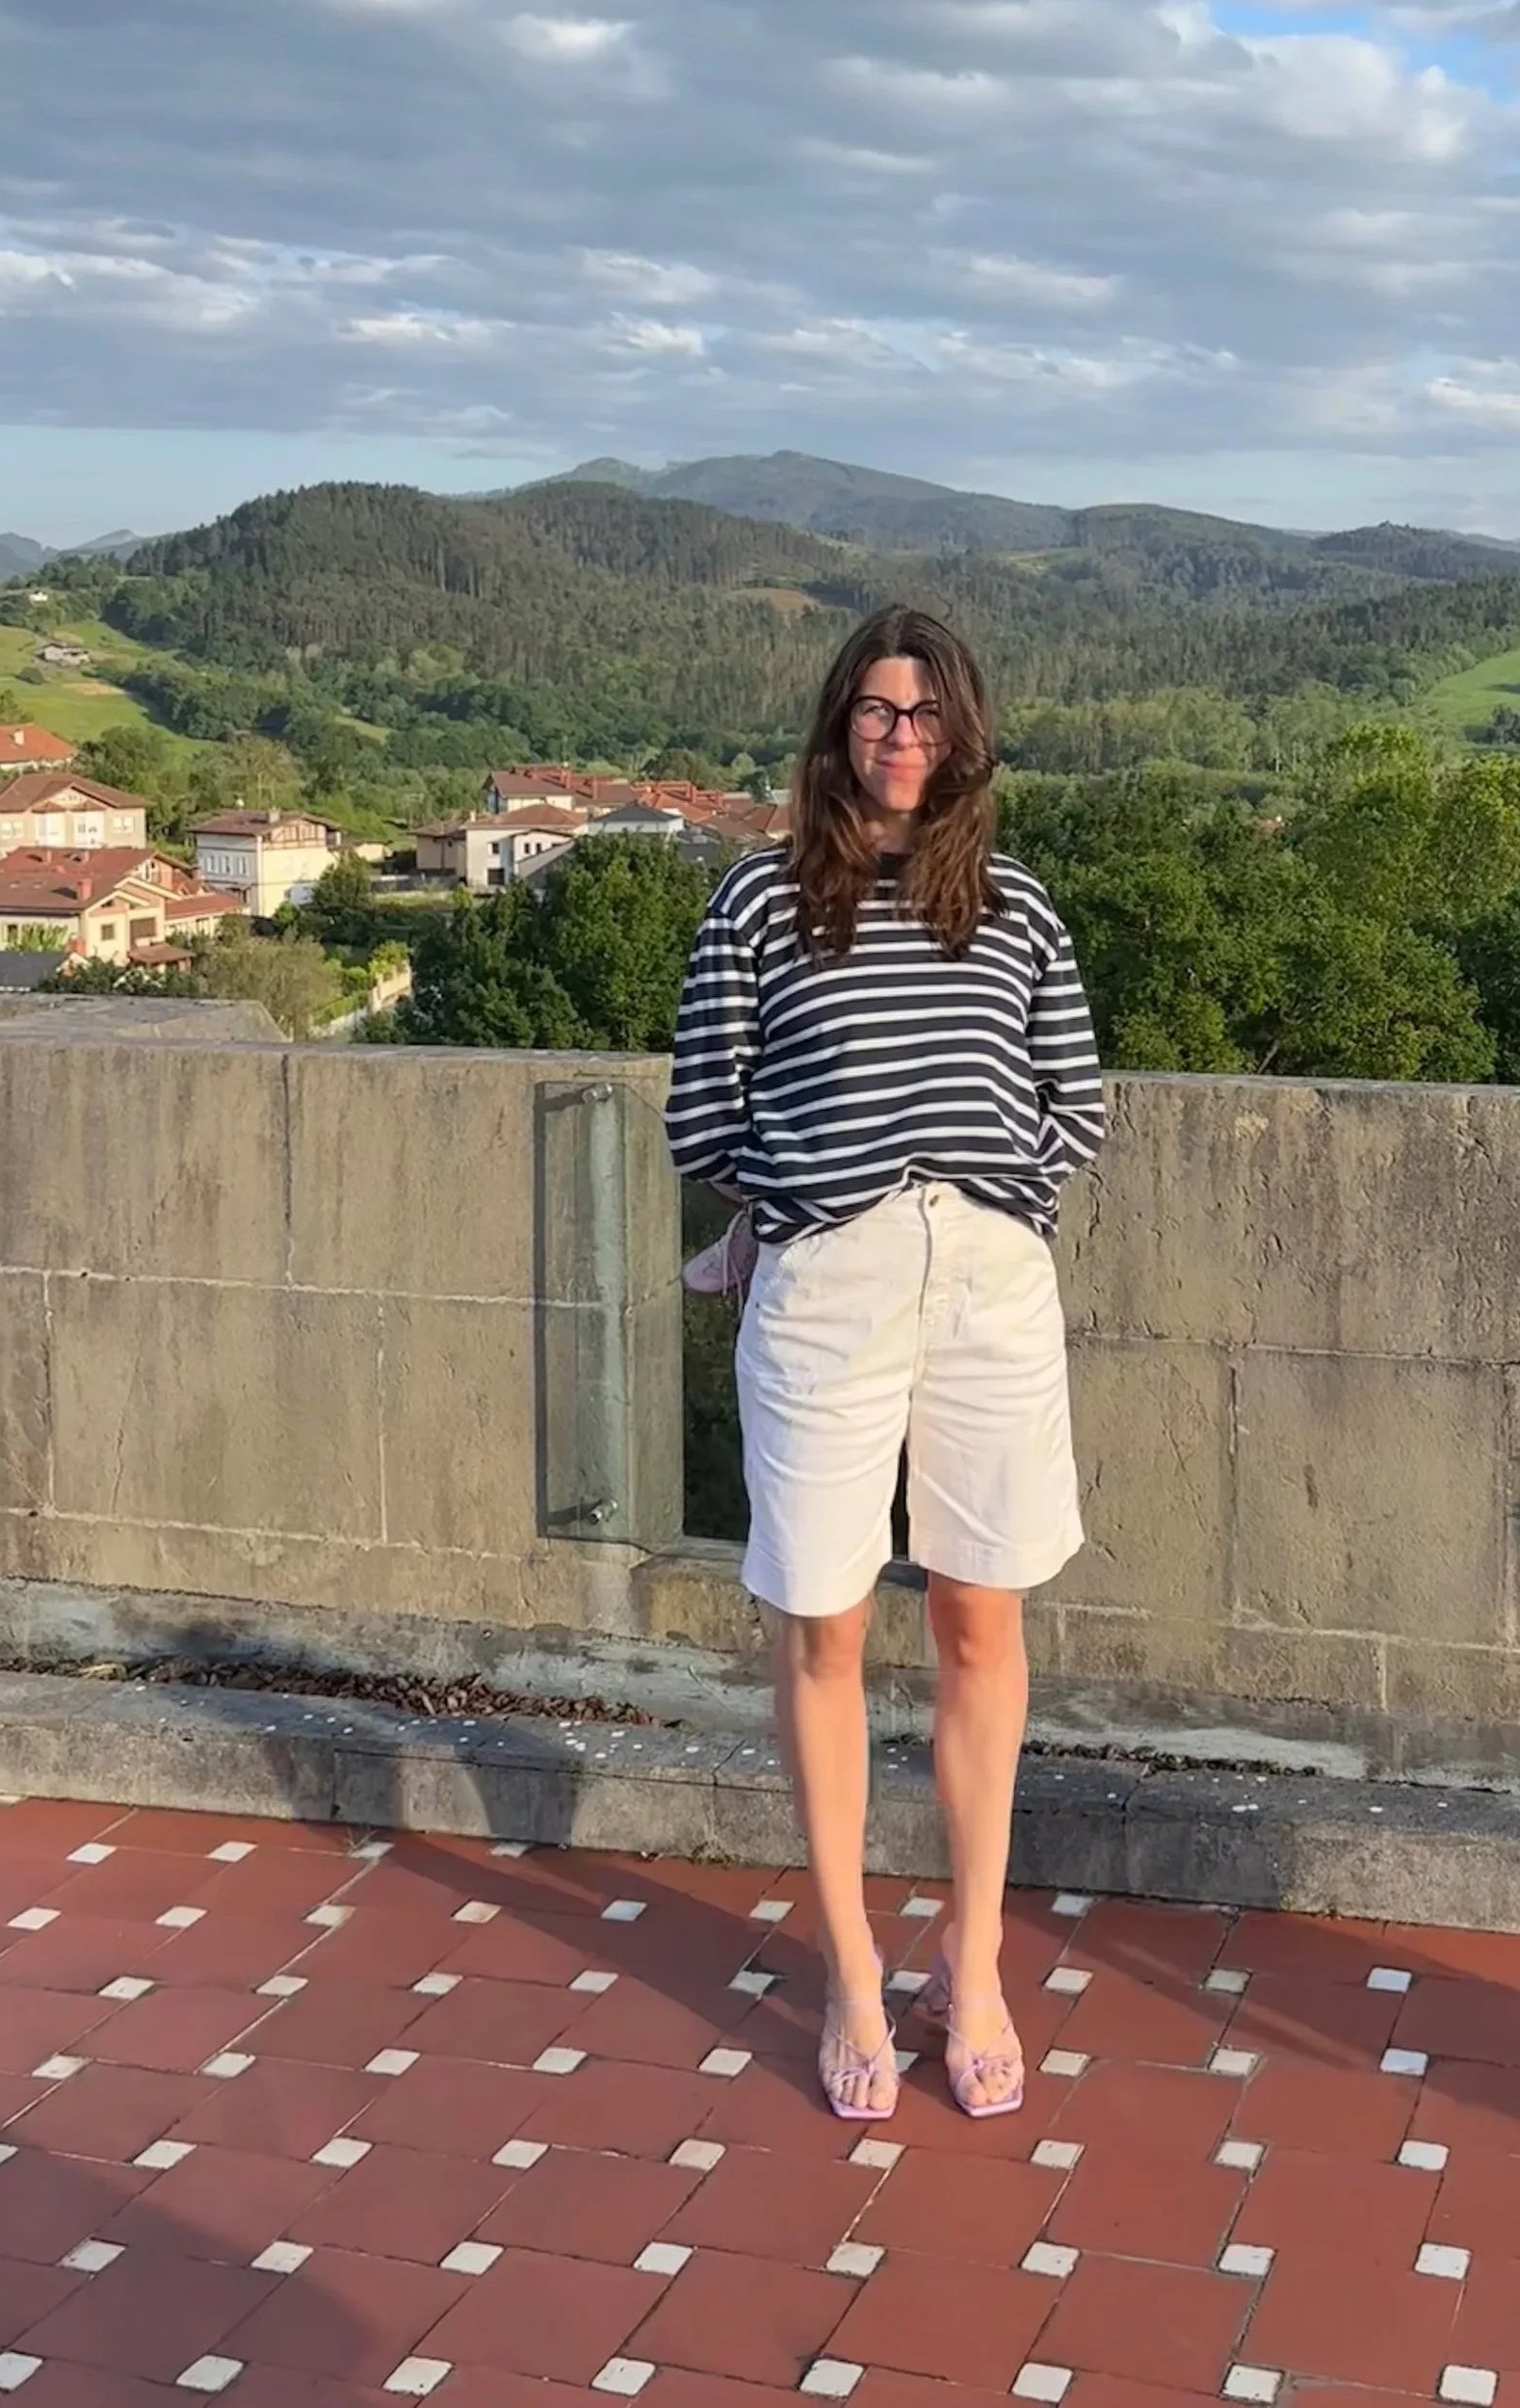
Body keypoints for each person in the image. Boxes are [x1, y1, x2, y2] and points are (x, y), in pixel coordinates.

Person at [664, 605, 1104, 2121]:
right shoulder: (761, 902)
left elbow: (1075, 1099)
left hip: (986, 1281)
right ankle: (854, 1972)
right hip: (828, 1287)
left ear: (962, 732)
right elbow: (700, 1112)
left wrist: (994, 1202)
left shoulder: (1017, 906)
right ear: (835, 727)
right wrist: (801, 1210)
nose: (899, 737)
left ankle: (973, 1968)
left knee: (983, 1620)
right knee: (827, 1627)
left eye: (923, 714)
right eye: (874, 709)